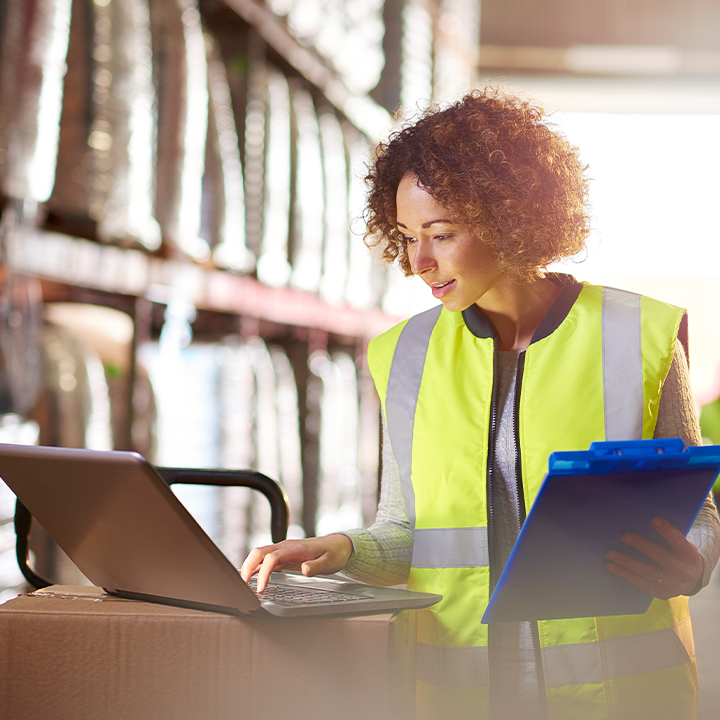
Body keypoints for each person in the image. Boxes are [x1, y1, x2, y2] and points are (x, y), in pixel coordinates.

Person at [241, 88, 720, 720]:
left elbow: (700, 515)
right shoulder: (403, 354)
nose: (418, 261)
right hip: (459, 696)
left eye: (442, 234)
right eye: (407, 236)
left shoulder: (640, 334)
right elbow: (409, 533)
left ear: (509, 217)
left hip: (619, 697)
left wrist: (693, 562)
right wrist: (341, 551)